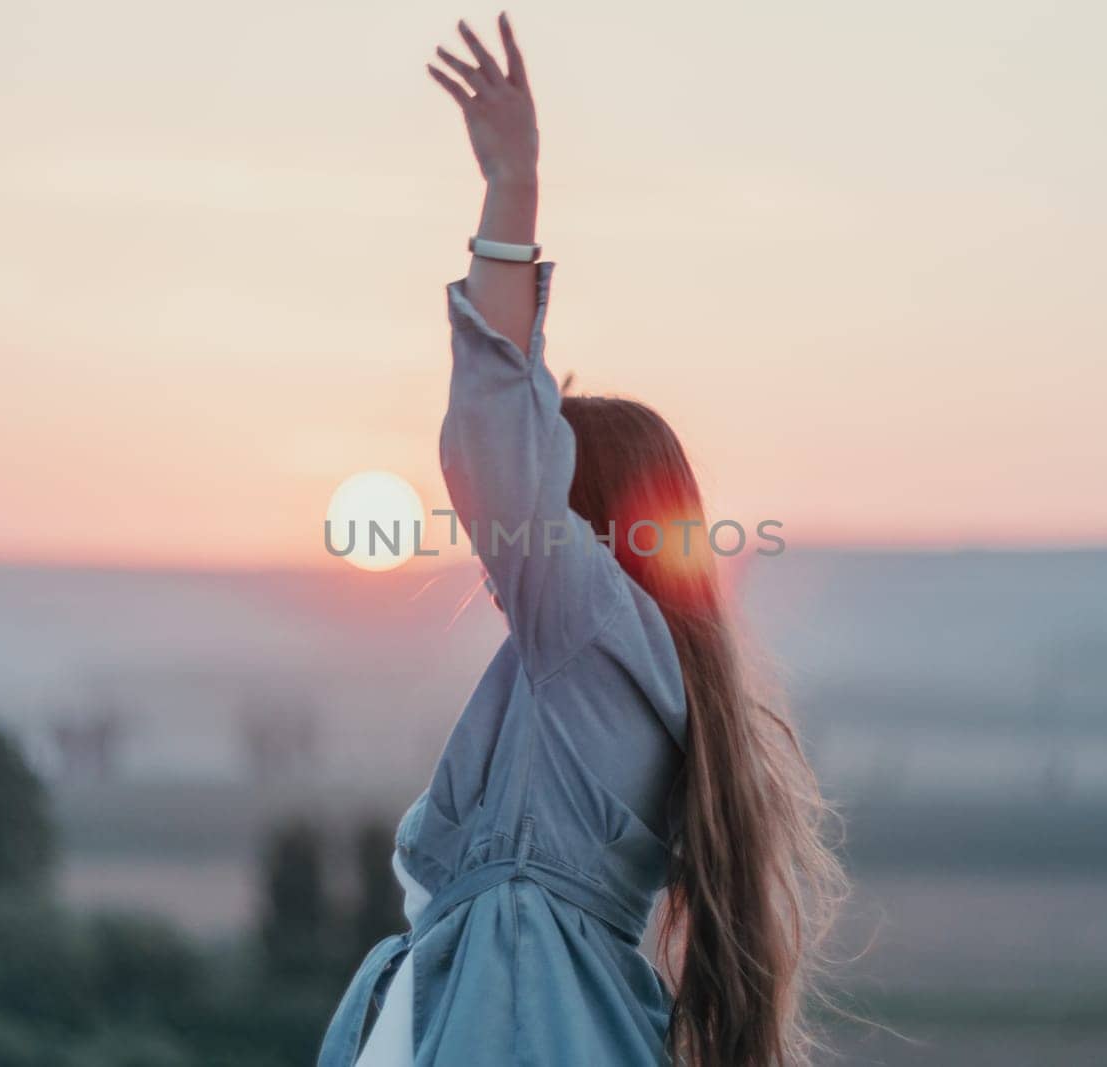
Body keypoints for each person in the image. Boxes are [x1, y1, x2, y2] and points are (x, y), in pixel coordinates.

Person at [318, 14, 845, 1066]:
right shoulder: (610, 668)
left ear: (587, 516)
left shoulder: (595, 627)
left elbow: (497, 451)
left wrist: (510, 192)